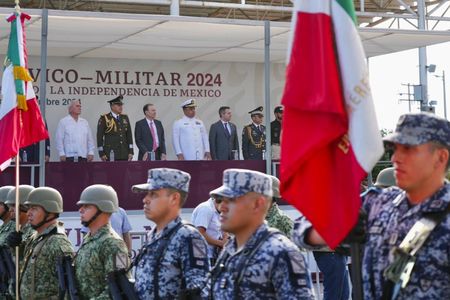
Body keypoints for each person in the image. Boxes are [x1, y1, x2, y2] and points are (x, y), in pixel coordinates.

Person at [293, 112, 450, 300]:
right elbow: (301, 228)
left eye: (408, 149)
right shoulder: (377, 203)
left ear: (441, 158)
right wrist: (333, 230)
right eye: (394, 149)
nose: (395, 158)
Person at [209, 168, 314, 299]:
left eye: (231, 200)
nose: (222, 207)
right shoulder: (230, 250)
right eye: (220, 200)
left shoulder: (282, 253)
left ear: (258, 204)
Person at [132, 168, 209, 299]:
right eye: (147, 194)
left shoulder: (188, 237)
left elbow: (200, 293)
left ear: (174, 198)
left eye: (153, 194)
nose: (145, 199)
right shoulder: (153, 235)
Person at [74, 184, 130, 299]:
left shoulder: (115, 244)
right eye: (81, 206)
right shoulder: (88, 239)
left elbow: (120, 287)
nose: (81, 210)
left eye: (87, 206)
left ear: (104, 208)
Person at [19, 187, 74, 299]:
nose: (28, 213)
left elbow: (68, 289)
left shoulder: (58, 243)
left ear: (50, 212)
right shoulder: (35, 238)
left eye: (34, 209)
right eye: (28, 208)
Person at [5, 185, 36, 265]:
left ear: (25, 207)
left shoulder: (34, 232)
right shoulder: (20, 230)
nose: (10, 209)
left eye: (13, 205)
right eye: (9, 206)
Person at [97, 95, 134, 161]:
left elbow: (129, 136)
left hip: (124, 154)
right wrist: (101, 153)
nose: (121, 107)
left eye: (121, 105)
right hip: (110, 154)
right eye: (118, 105)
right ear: (112, 106)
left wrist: (131, 151)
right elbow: (99, 137)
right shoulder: (104, 118)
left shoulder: (125, 117)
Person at [192, 196, 227, 265]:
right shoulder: (206, 209)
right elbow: (199, 234)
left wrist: (225, 238)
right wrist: (221, 243)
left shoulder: (218, 211)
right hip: (203, 256)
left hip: (213, 255)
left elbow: (222, 229)